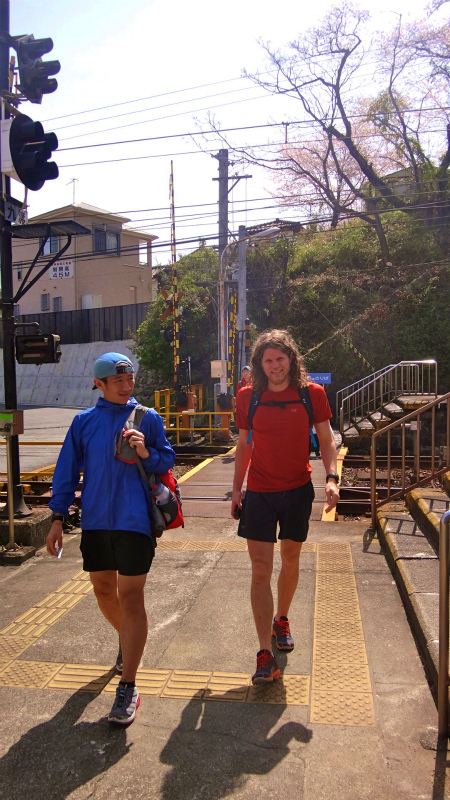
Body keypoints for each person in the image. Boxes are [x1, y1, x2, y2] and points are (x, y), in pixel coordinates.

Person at [46, 352, 175, 726]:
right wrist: (57, 518)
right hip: (97, 522)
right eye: (118, 380)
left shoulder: (147, 418)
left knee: (130, 596)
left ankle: (128, 685)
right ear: (99, 384)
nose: (126, 385)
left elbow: (166, 461)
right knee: (103, 590)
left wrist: (145, 450)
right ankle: (128, 641)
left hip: (135, 521)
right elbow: (66, 472)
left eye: (130, 378)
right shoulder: (83, 422)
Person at [231, 330, 339, 685]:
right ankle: (264, 652)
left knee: (290, 559)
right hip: (259, 492)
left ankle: (282, 618)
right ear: (260, 365)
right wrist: (236, 489)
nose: (275, 366)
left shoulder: (312, 394)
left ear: (291, 359)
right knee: (260, 569)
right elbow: (244, 445)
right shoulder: (249, 397)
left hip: (296, 491)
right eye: (268, 360)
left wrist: (332, 477)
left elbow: (326, 439)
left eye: (280, 359)